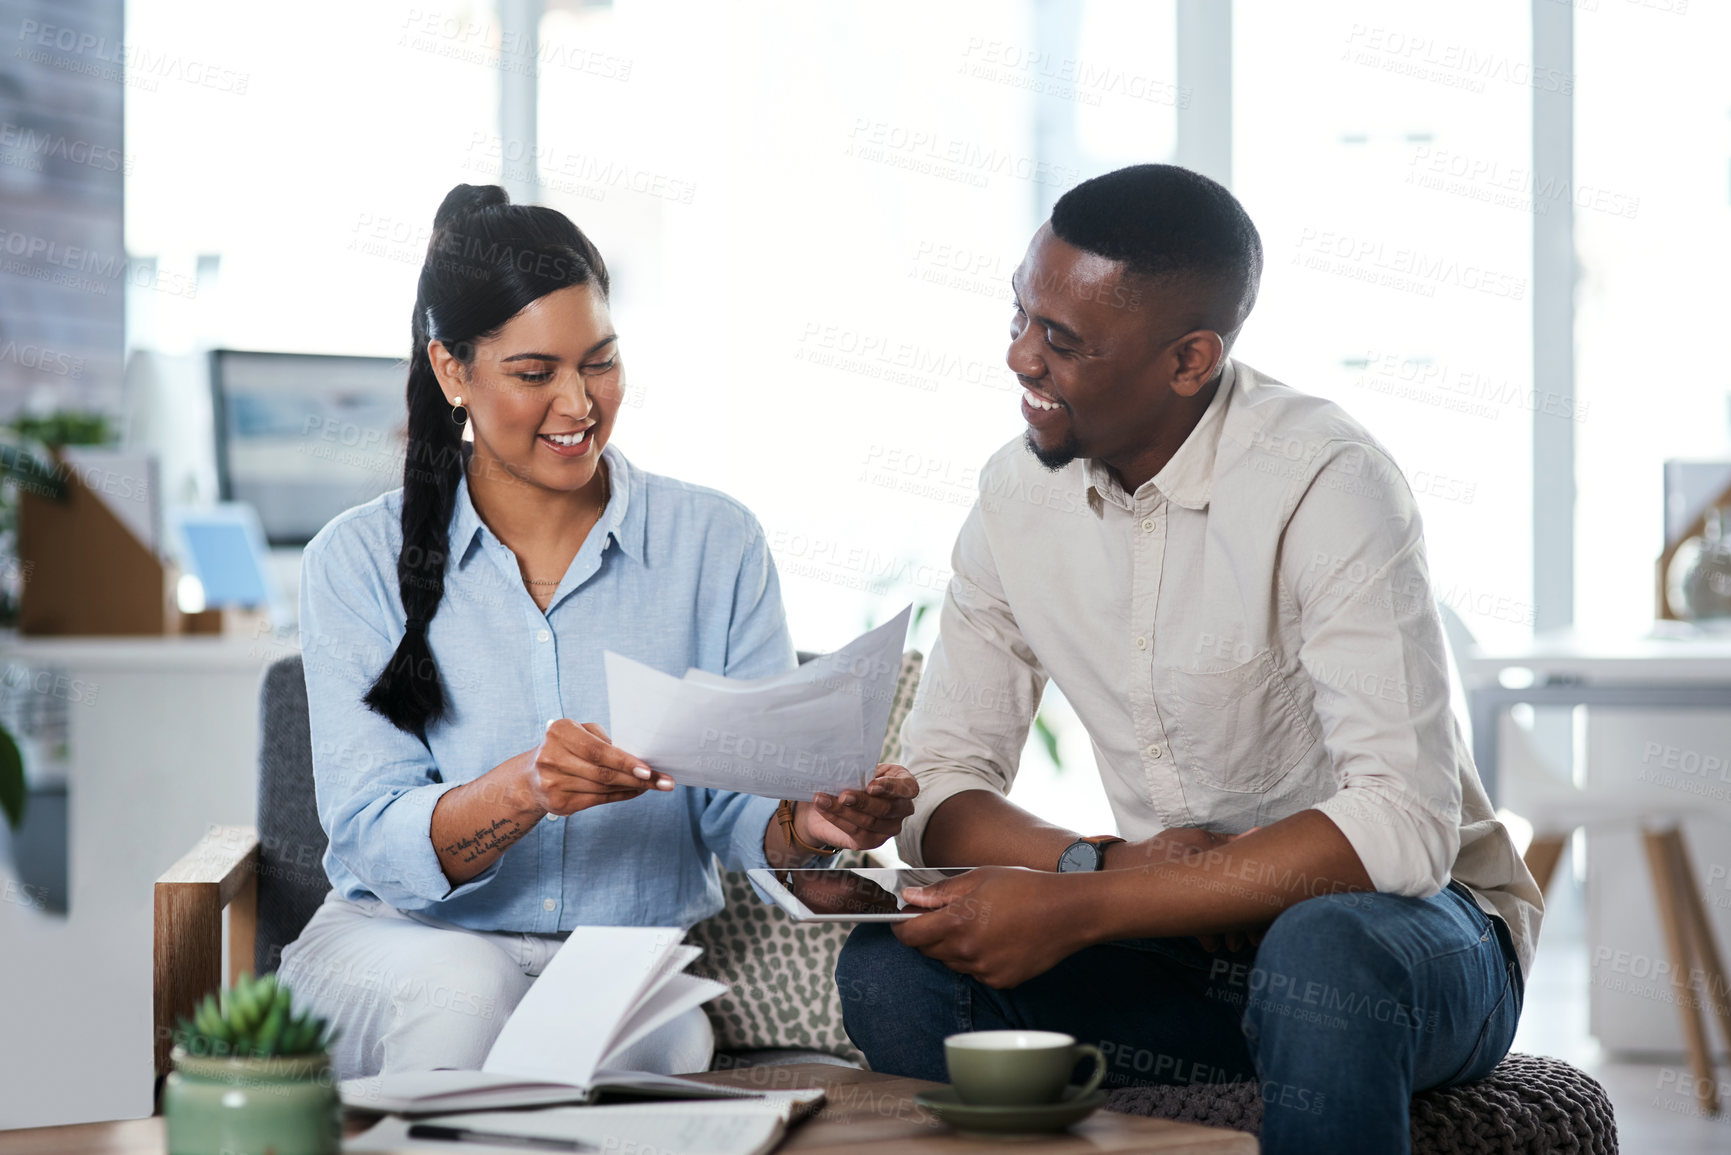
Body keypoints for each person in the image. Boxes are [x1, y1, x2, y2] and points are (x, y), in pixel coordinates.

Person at [834, 164, 1542, 1155]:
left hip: (1407, 942)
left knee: (1325, 950)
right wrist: (1098, 865)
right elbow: (938, 785)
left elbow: (1401, 825)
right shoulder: (1012, 499)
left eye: (1063, 342)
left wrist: (1088, 905)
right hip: (1185, 946)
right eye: (1019, 317)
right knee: (894, 972)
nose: (1020, 360)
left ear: (1189, 360)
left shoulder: (1327, 481)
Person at [278, 184, 917, 1082]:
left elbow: (735, 805)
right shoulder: (354, 560)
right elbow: (372, 840)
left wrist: (806, 820)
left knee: (650, 1040)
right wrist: (523, 789)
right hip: (407, 943)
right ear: (453, 371)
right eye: (535, 373)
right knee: (465, 994)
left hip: (619, 962)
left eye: (601, 362)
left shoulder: (714, 542)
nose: (579, 403)